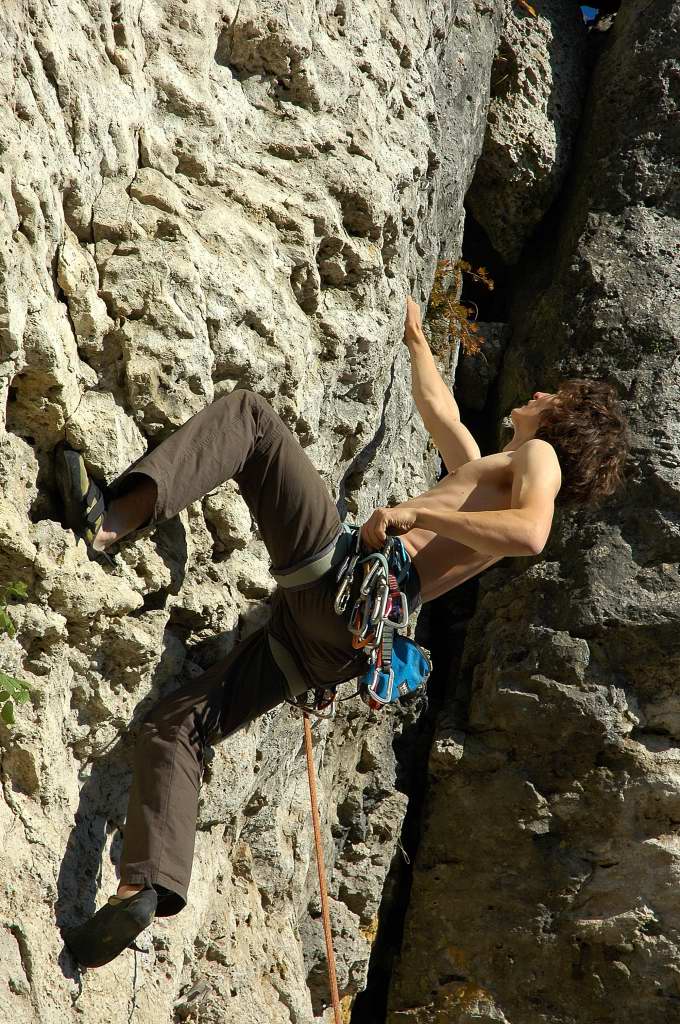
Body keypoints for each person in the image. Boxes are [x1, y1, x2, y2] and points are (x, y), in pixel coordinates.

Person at [58, 296, 630, 967]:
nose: (538, 395)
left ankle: (112, 518)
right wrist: (416, 338)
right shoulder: (488, 473)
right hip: (333, 646)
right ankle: (141, 888)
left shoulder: (540, 457)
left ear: (564, 421)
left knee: (250, 419)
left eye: (554, 396)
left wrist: (415, 513)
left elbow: (532, 532)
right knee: (178, 724)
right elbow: (440, 414)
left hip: (345, 584)